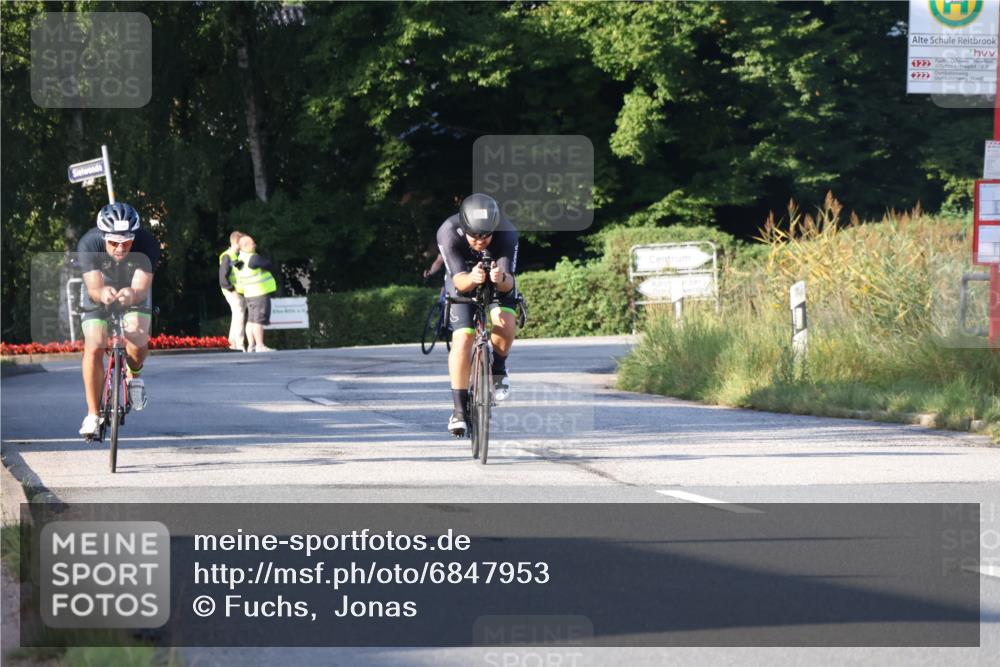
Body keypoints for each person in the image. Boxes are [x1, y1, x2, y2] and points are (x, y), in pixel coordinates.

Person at [436, 193, 519, 436]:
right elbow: (459, 282)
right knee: (463, 337)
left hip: (496, 279)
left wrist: (500, 278)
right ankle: (459, 411)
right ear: (464, 228)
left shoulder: (506, 232)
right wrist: (472, 278)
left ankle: (498, 369)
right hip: (463, 278)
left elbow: (509, 282)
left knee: (505, 322)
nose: (481, 241)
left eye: (486, 236)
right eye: (475, 236)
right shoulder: (448, 232)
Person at [77, 202, 160, 438]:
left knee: (137, 334)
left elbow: (141, 289)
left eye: (127, 242)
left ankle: (135, 375)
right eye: (114, 242)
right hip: (100, 289)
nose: (121, 248)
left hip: (133, 289)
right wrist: (102, 293)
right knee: (94, 344)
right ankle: (93, 414)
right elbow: (94, 288)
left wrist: (131, 295)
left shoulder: (148, 244)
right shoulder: (89, 243)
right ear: (103, 236)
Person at [233, 234, 277, 352]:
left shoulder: (240, 260)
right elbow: (268, 264)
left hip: (249, 294)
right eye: (252, 243)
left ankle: (251, 345)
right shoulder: (253, 258)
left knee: (251, 320)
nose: (255, 245)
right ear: (245, 246)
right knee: (258, 320)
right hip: (259, 293)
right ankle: (260, 345)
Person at [219, 231, 247, 351]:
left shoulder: (236, 255)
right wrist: (231, 288)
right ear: (236, 242)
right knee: (239, 315)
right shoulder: (228, 255)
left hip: (237, 291)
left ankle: (232, 344)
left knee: (237, 316)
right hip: (232, 291)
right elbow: (223, 277)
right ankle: (239, 345)